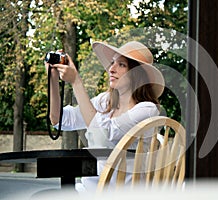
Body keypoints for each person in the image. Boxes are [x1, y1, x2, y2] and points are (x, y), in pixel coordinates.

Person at [45, 41, 165, 193]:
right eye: (113, 63)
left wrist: (76, 81)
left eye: (121, 65)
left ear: (137, 74)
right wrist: (53, 80)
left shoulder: (147, 110)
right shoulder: (105, 102)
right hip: (89, 190)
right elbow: (59, 120)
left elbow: (102, 136)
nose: (111, 69)